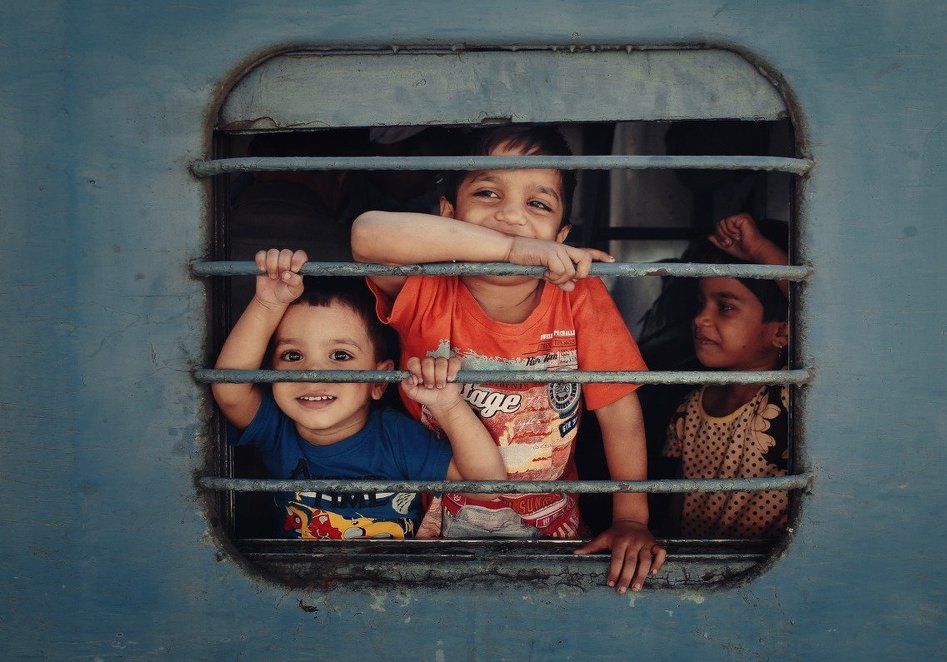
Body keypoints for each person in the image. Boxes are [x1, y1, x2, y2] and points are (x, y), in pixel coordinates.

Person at [352, 125, 666, 592]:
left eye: (537, 204)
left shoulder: (579, 296)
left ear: (561, 236)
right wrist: (511, 250)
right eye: (486, 193)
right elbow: (366, 234)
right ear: (447, 215)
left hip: (550, 526)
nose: (510, 216)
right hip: (430, 523)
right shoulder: (425, 288)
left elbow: (619, 412)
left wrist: (631, 519)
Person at [212, 248, 506, 540]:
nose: (313, 373)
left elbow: (485, 485)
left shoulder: (398, 439)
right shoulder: (277, 430)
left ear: (378, 381)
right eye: (291, 356)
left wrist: (449, 406)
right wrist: (267, 304)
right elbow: (230, 389)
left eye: (340, 356)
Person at [664, 213, 791, 538]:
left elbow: (820, 311)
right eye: (701, 304)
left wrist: (761, 252)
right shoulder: (691, 405)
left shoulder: (792, 396)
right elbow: (676, 509)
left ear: (782, 331)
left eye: (725, 307)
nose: (700, 319)